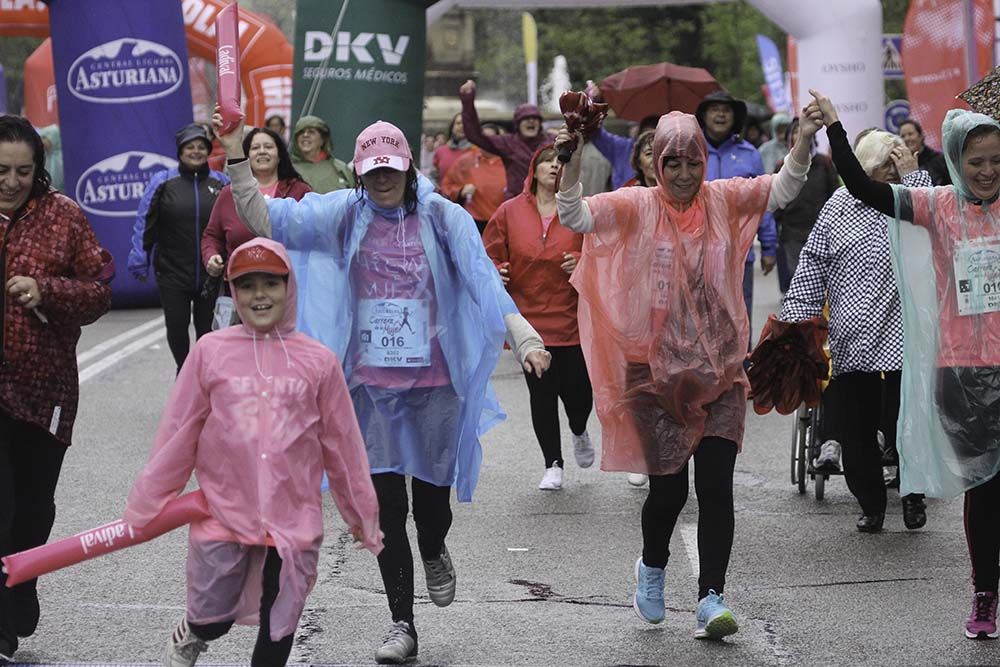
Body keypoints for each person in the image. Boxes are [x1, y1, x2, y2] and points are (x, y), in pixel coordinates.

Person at [213, 112, 550, 664]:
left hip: (435, 383)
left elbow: (483, 278)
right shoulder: (346, 213)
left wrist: (527, 338)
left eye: (390, 169)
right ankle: (402, 624)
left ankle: (436, 549)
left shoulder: (443, 217)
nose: (381, 180)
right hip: (370, 387)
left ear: (407, 164)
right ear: (361, 172)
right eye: (372, 172)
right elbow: (267, 219)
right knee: (384, 506)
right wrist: (234, 155)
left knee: (431, 507)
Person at [554, 103, 822, 639]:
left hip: (720, 370)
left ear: (704, 162)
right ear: (655, 163)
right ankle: (652, 567)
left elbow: (784, 188)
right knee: (669, 494)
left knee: (717, 487)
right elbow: (575, 216)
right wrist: (572, 157)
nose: (682, 174)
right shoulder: (635, 205)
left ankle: (710, 598)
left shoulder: (724, 200)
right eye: (671, 163)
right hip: (653, 374)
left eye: (692, 163)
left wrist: (805, 137)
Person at [124, 238, 382, 667]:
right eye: (246, 286)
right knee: (214, 618)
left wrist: (361, 514)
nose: (259, 295)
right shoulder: (211, 352)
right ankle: (195, 631)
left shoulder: (317, 362)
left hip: (292, 519)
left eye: (270, 283)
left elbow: (343, 445)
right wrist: (149, 502)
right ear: (233, 292)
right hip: (224, 512)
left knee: (279, 623)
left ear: (289, 287)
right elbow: (179, 430)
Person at [812, 89, 1000, 641]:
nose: (988, 171)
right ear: (957, 161)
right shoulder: (938, 206)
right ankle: (984, 590)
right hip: (963, 375)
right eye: (977, 161)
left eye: (997, 162)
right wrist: (838, 129)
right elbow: (864, 188)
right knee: (985, 489)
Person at [0, 115, 112, 663]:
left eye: (23, 171)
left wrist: (44, 289)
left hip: (45, 389)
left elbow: (98, 291)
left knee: (32, 507)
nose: (12, 181)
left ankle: (22, 582)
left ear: (38, 169)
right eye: (1, 170)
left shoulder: (63, 216)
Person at [780, 128, 930, 533]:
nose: (891, 172)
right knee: (856, 430)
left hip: (906, 337)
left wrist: (913, 178)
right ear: (864, 167)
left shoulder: (912, 199)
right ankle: (871, 504)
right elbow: (813, 259)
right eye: (884, 165)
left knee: (907, 425)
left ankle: (913, 496)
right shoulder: (840, 205)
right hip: (853, 339)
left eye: (896, 165)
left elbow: (930, 229)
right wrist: (796, 317)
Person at [484, 146, 594, 490]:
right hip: (529, 321)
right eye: (547, 160)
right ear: (534, 168)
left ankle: (579, 430)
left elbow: (603, 250)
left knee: (579, 395)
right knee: (542, 392)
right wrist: (497, 272)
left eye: (561, 161)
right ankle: (553, 464)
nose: (554, 167)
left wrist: (582, 260)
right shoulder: (509, 211)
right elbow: (487, 255)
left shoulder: (580, 211)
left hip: (571, 319)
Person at [128, 123, 229, 372]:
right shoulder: (163, 182)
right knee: (176, 326)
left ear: (208, 151)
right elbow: (145, 222)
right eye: (190, 147)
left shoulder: (222, 183)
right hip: (172, 272)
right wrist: (140, 258)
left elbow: (232, 224)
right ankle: (184, 373)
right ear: (180, 152)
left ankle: (206, 377)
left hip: (211, 274)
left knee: (208, 331)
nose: (195, 152)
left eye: (201, 147)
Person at [202, 127, 311, 326]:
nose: (262, 151)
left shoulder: (300, 191)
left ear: (280, 155)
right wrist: (211, 256)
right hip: (239, 285)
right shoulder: (228, 194)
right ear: (245, 157)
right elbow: (212, 235)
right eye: (255, 148)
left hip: (289, 286)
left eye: (268, 146)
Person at [695, 91, 778, 343]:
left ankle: (740, 377)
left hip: (738, 254)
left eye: (726, 110)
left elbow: (762, 202)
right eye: (715, 109)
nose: (720, 115)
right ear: (704, 115)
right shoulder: (693, 152)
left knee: (738, 323)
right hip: (697, 252)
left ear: (735, 117)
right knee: (699, 323)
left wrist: (769, 246)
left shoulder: (749, 153)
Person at [773, 117, 839, 282]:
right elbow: (776, 199)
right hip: (792, 233)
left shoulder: (825, 163)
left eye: (803, 129)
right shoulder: (782, 165)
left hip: (822, 232)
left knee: (822, 280)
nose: (801, 133)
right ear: (790, 138)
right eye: (796, 131)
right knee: (798, 279)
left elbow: (835, 195)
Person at [459, 79, 547, 199]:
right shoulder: (508, 143)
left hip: (549, 202)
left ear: (540, 123)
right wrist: (468, 102)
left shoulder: (552, 141)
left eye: (534, 118)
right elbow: (475, 135)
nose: (531, 121)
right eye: (526, 118)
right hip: (518, 204)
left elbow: (578, 137)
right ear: (518, 124)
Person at [438, 138, 506, 235]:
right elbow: (446, 187)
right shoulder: (466, 160)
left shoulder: (509, 161)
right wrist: (460, 191)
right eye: (483, 137)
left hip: (501, 222)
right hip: (472, 221)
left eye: (492, 137)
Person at [290, 115, 354, 194]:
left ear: (322, 139)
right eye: (301, 132)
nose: (305, 135)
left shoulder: (339, 168)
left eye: (311, 132)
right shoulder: (289, 170)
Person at [593, 116, 660, 190]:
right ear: (638, 162)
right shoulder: (622, 147)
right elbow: (597, 134)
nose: (654, 160)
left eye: (659, 153)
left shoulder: (671, 191)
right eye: (649, 153)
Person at [898, 118, 951, 186]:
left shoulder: (940, 160)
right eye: (903, 136)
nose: (907, 139)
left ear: (921, 136)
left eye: (910, 134)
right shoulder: (900, 165)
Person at [432, 113, 471, 183]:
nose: (462, 126)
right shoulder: (440, 151)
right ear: (452, 128)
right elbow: (433, 176)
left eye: (465, 123)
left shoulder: (477, 152)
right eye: (458, 123)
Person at [36, 125, 63, 193]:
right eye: (41, 137)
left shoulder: (62, 158)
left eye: (45, 137)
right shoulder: (40, 156)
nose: (42, 140)